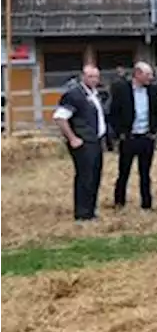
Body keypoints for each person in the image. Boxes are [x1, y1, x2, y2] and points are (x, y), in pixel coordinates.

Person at [52, 65, 108, 222]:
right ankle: (82, 214)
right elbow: (60, 117)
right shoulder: (74, 95)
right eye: (90, 77)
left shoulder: (95, 94)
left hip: (95, 140)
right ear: (83, 76)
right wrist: (72, 138)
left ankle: (91, 211)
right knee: (85, 177)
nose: (94, 80)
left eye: (96, 77)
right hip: (83, 142)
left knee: (95, 176)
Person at [108, 61, 157, 210]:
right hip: (129, 138)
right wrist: (120, 133)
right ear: (137, 74)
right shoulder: (122, 90)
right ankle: (119, 202)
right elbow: (113, 113)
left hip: (146, 137)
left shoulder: (153, 91)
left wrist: (155, 130)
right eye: (148, 74)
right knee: (124, 172)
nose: (151, 78)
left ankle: (146, 204)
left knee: (145, 173)